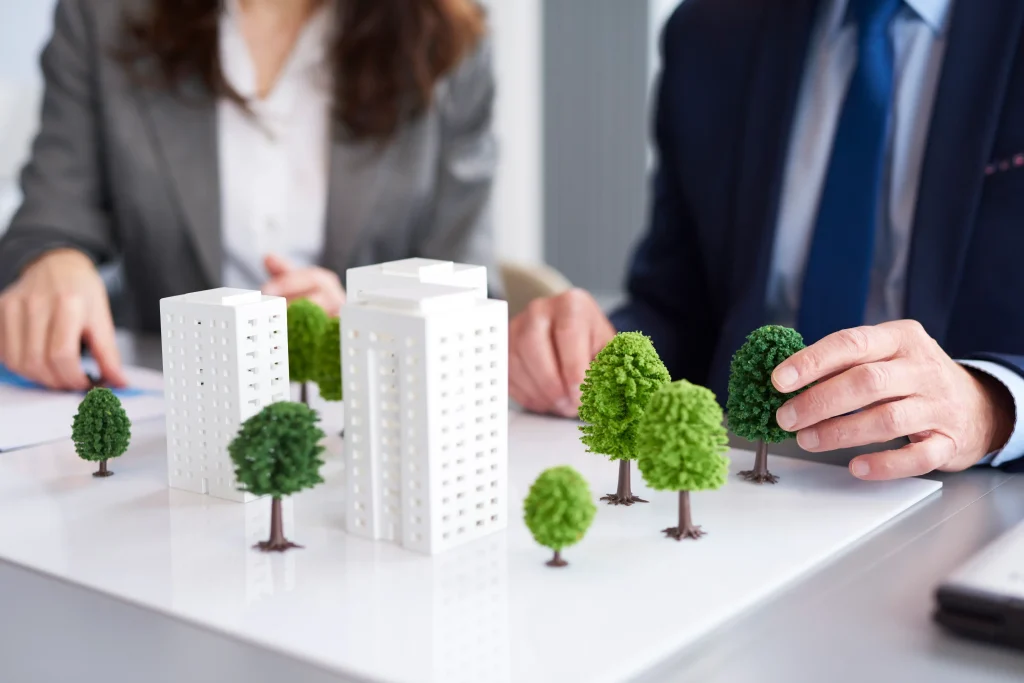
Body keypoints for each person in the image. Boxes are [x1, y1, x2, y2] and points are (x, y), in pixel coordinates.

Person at [510, 0, 1024, 479]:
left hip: (971, 491)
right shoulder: (710, 30)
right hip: (741, 480)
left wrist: (995, 406)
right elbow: (679, 307)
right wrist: (594, 351)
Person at [0, 0, 495, 390]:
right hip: (168, 421)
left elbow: (472, 303)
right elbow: (48, 220)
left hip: (358, 426)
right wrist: (51, 258)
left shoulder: (448, 36)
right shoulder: (102, 14)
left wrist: (371, 327)